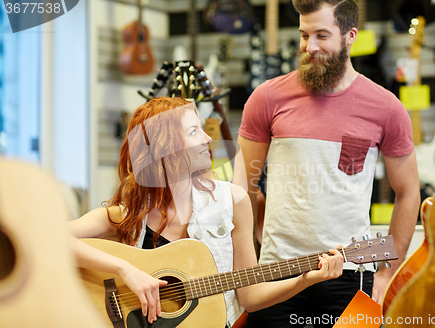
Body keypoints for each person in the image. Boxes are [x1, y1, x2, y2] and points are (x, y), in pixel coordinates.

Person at [68, 96, 345, 327]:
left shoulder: (233, 201)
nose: (207, 138)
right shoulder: (126, 216)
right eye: (193, 132)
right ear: (166, 147)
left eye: (202, 129)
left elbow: (248, 297)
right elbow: (46, 237)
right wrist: (125, 270)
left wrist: (306, 279)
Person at [233, 0, 421, 326]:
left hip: (353, 272)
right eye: (304, 35)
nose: (311, 47)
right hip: (278, 271)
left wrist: (387, 271)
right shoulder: (266, 98)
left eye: (322, 35)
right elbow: (243, 189)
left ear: (350, 36)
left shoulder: (386, 107)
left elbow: (408, 193)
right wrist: (248, 260)